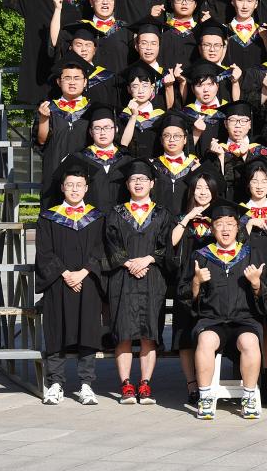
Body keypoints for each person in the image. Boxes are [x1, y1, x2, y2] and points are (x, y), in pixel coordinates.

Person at [185, 202, 267, 420]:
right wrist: (196, 282)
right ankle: (205, 397)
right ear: (212, 228)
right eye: (219, 224)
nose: (225, 229)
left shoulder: (251, 254)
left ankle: (249, 397)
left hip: (244, 319)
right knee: (205, 340)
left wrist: (256, 284)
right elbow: (185, 297)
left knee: (250, 342)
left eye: (230, 224)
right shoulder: (201, 256)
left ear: (237, 227)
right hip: (211, 319)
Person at [38, 167, 107, 406]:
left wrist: (83, 273)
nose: (74, 189)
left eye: (79, 185)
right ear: (62, 188)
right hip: (58, 282)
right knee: (56, 331)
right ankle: (55, 383)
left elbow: (101, 249)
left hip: (88, 283)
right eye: (70, 185)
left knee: (88, 332)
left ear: (86, 188)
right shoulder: (48, 217)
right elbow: (44, 252)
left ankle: (86, 384)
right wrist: (66, 274)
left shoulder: (97, 217)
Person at [103, 163, 170, 405]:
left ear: (152, 183)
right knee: (123, 333)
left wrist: (148, 259)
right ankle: (126, 385)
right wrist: (128, 262)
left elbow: (166, 245)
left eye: (143, 179)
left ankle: (145, 384)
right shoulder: (115, 213)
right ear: (127, 184)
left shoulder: (162, 214)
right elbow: (110, 243)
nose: (138, 183)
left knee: (148, 334)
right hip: (123, 278)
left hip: (152, 277)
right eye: (134, 179)